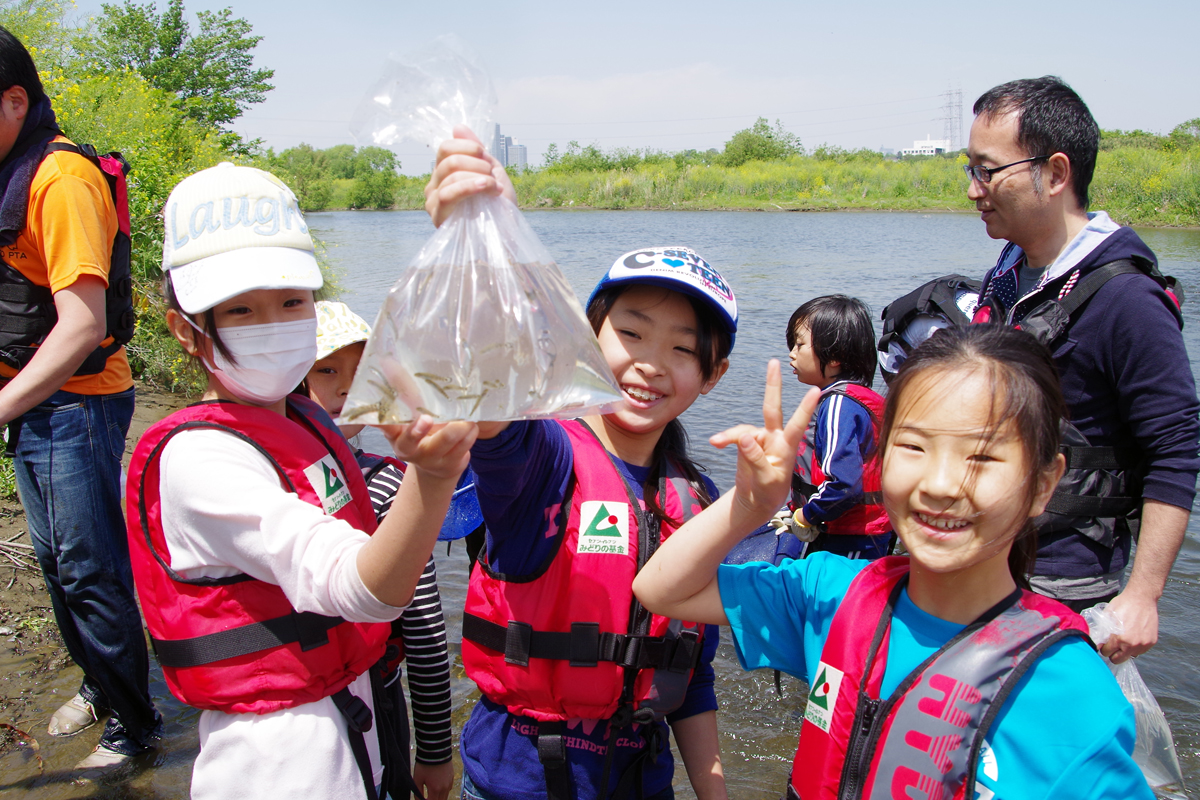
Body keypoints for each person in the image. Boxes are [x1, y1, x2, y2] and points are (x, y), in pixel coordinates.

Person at [633, 324, 1152, 799]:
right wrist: (749, 505)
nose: (940, 485)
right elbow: (660, 589)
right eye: (913, 446)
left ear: (1043, 483)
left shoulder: (1072, 694)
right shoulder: (831, 594)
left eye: (981, 456)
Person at [123, 163, 476, 799]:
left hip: (357, 713)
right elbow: (360, 591)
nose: (274, 323)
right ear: (186, 329)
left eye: (291, 301)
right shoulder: (198, 460)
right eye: (240, 309)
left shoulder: (305, 416)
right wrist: (433, 474)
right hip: (281, 755)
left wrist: (467, 236)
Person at [428, 128, 730, 800]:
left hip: (640, 780)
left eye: (683, 348)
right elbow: (493, 385)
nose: (650, 362)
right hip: (521, 779)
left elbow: (691, 673)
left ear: (714, 375)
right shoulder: (543, 457)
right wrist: (490, 237)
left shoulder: (702, 500)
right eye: (629, 332)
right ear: (589, 336)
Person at [964, 76, 1200, 663]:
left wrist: (1143, 596)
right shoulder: (1011, 268)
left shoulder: (1128, 300)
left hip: (1059, 581)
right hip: (979, 555)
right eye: (969, 169)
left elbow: (1176, 446)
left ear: (1055, 173)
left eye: (988, 171)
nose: (973, 190)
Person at [0, 26, 159, 769]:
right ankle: (104, 686)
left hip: (77, 403)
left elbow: (82, 325)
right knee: (59, 562)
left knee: (89, 566)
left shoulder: (59, 182)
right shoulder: (9, 168)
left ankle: (135, 727)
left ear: (13, 100)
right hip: (32, 405)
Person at [305, 299, 454, 800]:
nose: (347, 387)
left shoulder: (392, 484)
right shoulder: (262, 478)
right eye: (326, 369)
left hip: (379, 697)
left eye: (361, 370)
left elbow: (427, 628)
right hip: (295, 699)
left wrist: (434, 750)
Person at [781, 295, 890, 559]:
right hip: (867, 533)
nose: (791, 354)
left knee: (835, 597)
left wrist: (805, 516)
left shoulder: (838, 404)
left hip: (851, 537)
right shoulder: (857, 398)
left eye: (799, 344)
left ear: (835, 357)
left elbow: (844, 484)